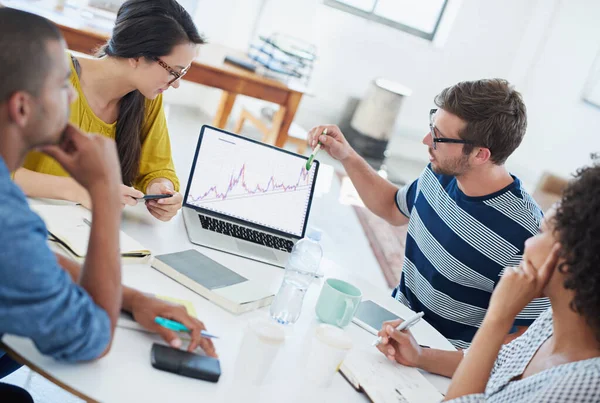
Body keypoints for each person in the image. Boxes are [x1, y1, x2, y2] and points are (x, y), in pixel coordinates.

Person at [0, 9, 215, 399]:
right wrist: (100, 194)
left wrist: (134, 299)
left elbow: (30, 261)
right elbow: (89, 338)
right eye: (59, 86)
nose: (71, 96)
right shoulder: (8, 218)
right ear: (21, 106)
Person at [308, 79, 549, 348]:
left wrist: (431, 360)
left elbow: (526, 337)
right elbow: (391, 207)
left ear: (481, 154)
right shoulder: (440, 174)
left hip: (442, 361)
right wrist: (347, 155)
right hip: (393, 323)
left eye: (439, 137)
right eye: (432, 127)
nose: (426, 141)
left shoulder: (528, 235)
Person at [376, 164, 600, 402]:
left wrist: (498, 317)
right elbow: (496, 363)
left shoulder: (582, 385)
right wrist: (420, 356)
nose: (528, 243)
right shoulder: (552, 323)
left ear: (574, 258)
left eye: (543, 232)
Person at [13, 0, 205, 221]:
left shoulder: (147, 98)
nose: (176, 83)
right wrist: (76, 189)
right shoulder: (44, 72)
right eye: (175, 71)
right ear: (138, 57)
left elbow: (157, 168)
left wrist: (161, 188)